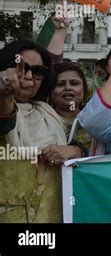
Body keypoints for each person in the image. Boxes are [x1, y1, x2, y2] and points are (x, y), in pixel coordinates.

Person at [0, 40, 82, 223]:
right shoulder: (4, 105)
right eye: (20, 67)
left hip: (50, 216)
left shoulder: (48, 114)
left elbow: (81, 149)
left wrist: (74, 151)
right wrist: (4, 90)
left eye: (38, 71)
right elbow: (4, 122)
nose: (28, 76)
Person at [50, 62, 91, 155]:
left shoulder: (93, 123)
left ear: (84, 89)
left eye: (74, 83)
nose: (68, 88)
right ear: (50, 91)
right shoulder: (41, 120)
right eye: (60, 84)